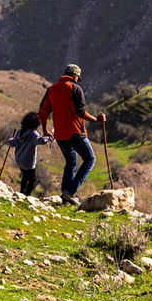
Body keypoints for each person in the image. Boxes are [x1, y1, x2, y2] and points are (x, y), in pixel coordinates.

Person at [38, 64, 106, 206]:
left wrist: (45, 129)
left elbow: (43, 113)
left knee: (71, 162)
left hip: (60, 136)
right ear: (75, 76)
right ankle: (70, 191)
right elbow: (80, 112)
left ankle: (65, 198)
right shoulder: (75, 88)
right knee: (90, 159)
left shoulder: (51, 89)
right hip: (75, 132)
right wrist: (97, 120)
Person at [8, 111, 52, 197]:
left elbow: (12, 143)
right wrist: (49, 138)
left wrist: (10, 139)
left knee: (25, 175)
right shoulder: (32, 134)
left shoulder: (20, 132)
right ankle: (27, 196)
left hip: (19, 160)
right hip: (28, 162)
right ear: (35, 124)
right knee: (32, 179)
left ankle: (21, 193)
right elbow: (40, 141)